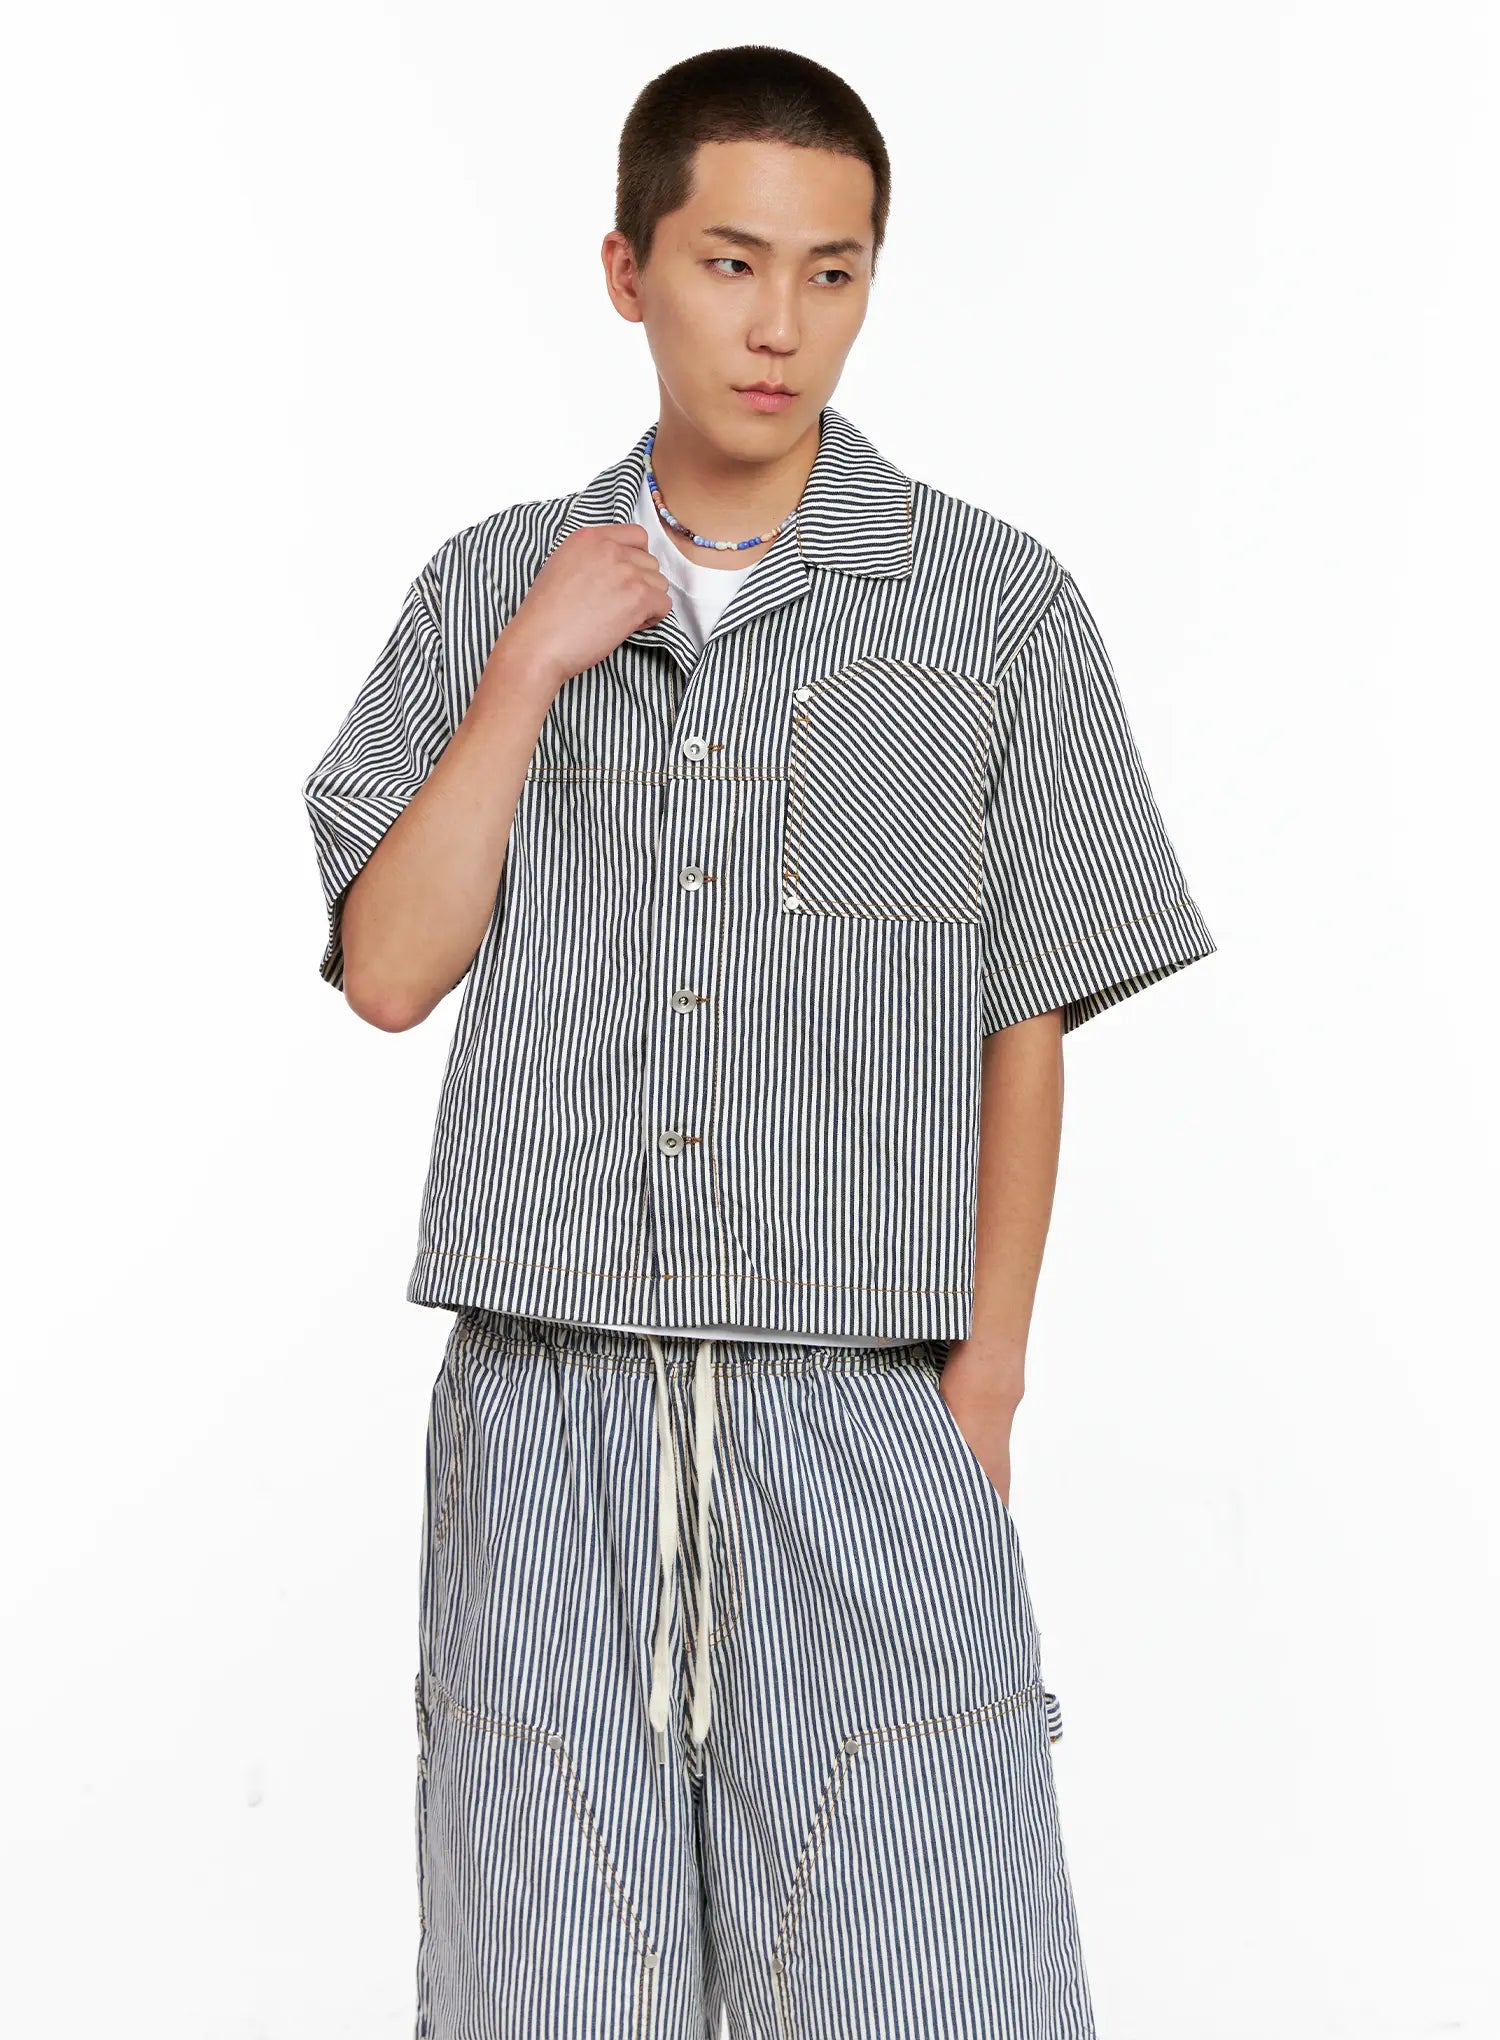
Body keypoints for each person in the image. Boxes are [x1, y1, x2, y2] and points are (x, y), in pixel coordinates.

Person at [301, 42, 1216, 2040]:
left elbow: (1024, 1011)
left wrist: (983, 1389)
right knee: (551, 1982)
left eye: (832, 271)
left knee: (927, 1978)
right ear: (628, 270)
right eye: (731, 264)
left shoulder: (991, 609)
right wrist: (530, 672)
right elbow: (388, 970)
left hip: (862, 1400)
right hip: (552, 1402)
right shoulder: (487, 589)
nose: (781, 324)